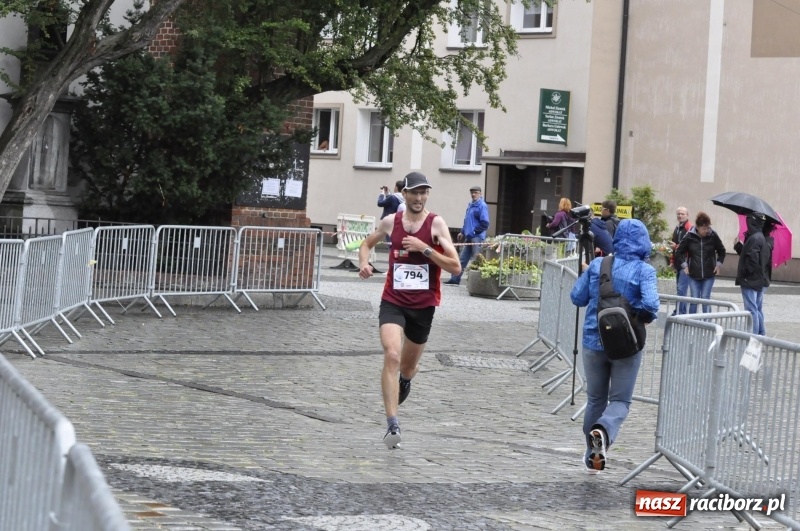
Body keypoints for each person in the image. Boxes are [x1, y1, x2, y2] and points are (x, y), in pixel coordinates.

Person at [358, 172, 461, 449]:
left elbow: (455, 266)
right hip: (393, 300)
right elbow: (366, 244)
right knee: (391, 354)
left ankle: (404, 380)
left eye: (423, 192)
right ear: (404, 194)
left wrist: (425, 249)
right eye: (414, 192)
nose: (418, 197)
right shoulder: (391, 222)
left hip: (424, 306)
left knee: (408, 366)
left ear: (427, 195)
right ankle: (393, 424)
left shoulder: (436, 224)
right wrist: (364, 264)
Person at [570, 219, 659, 473]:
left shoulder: (599, 264)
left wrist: (590, 275)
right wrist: (637, 314)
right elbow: (651, 305)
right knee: (620, 400)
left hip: (592, 341)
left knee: (596, 399)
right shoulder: (644, 271)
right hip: (626, 344)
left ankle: (592, 454)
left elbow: (577, 297)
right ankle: (604, 431)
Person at [675, 212, 726, 314]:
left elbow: (722, 250)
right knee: (694, 299)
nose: (706, 231)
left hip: (709, 273)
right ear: (697, 227)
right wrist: (684, 265)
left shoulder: (713, 235)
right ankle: (693, 323)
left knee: (705, 299)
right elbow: (679, 251)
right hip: (693, 274)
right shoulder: (689, 236)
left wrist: (718, 264)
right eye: (704, 228)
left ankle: (707, 324)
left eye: (707, 228)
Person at [733, 212, 771, 336]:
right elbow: (749, 255)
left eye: (749, 220)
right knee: (757, 308)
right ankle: (760, 333)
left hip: (750, 280)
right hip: (757, 279)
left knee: (751, 310)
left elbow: (751, 260)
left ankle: (753, 335)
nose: (747, 222)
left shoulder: (755, 238)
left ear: (752, 222)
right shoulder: (760, 237)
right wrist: (738, 246)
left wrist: (744, 274)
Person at [444, 185, 490, 285]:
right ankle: (455, 279)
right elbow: (467, 220)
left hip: (477, 237)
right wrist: (462, 232)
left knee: (477, 259)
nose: (473, 194)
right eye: (472, 192)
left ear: (480, 193)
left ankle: (478, 282)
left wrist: (475, 232)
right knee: (462, 259)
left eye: (476, 192)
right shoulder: (470, 204)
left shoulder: (482, 205)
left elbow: (485, 223)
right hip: (469, 236)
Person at [669, 206, 692, 314]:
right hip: (679, 263)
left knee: (681, 289)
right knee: (679, 288)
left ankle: (680, 311)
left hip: (686, 263)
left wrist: (677, 247)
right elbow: (674, 246)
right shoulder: (678, 228)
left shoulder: (689, 228)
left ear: (687, 215)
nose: (680, 215)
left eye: (682, 214)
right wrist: (672, 261)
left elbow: (690, 246)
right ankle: (680, 310)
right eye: (678, 213)